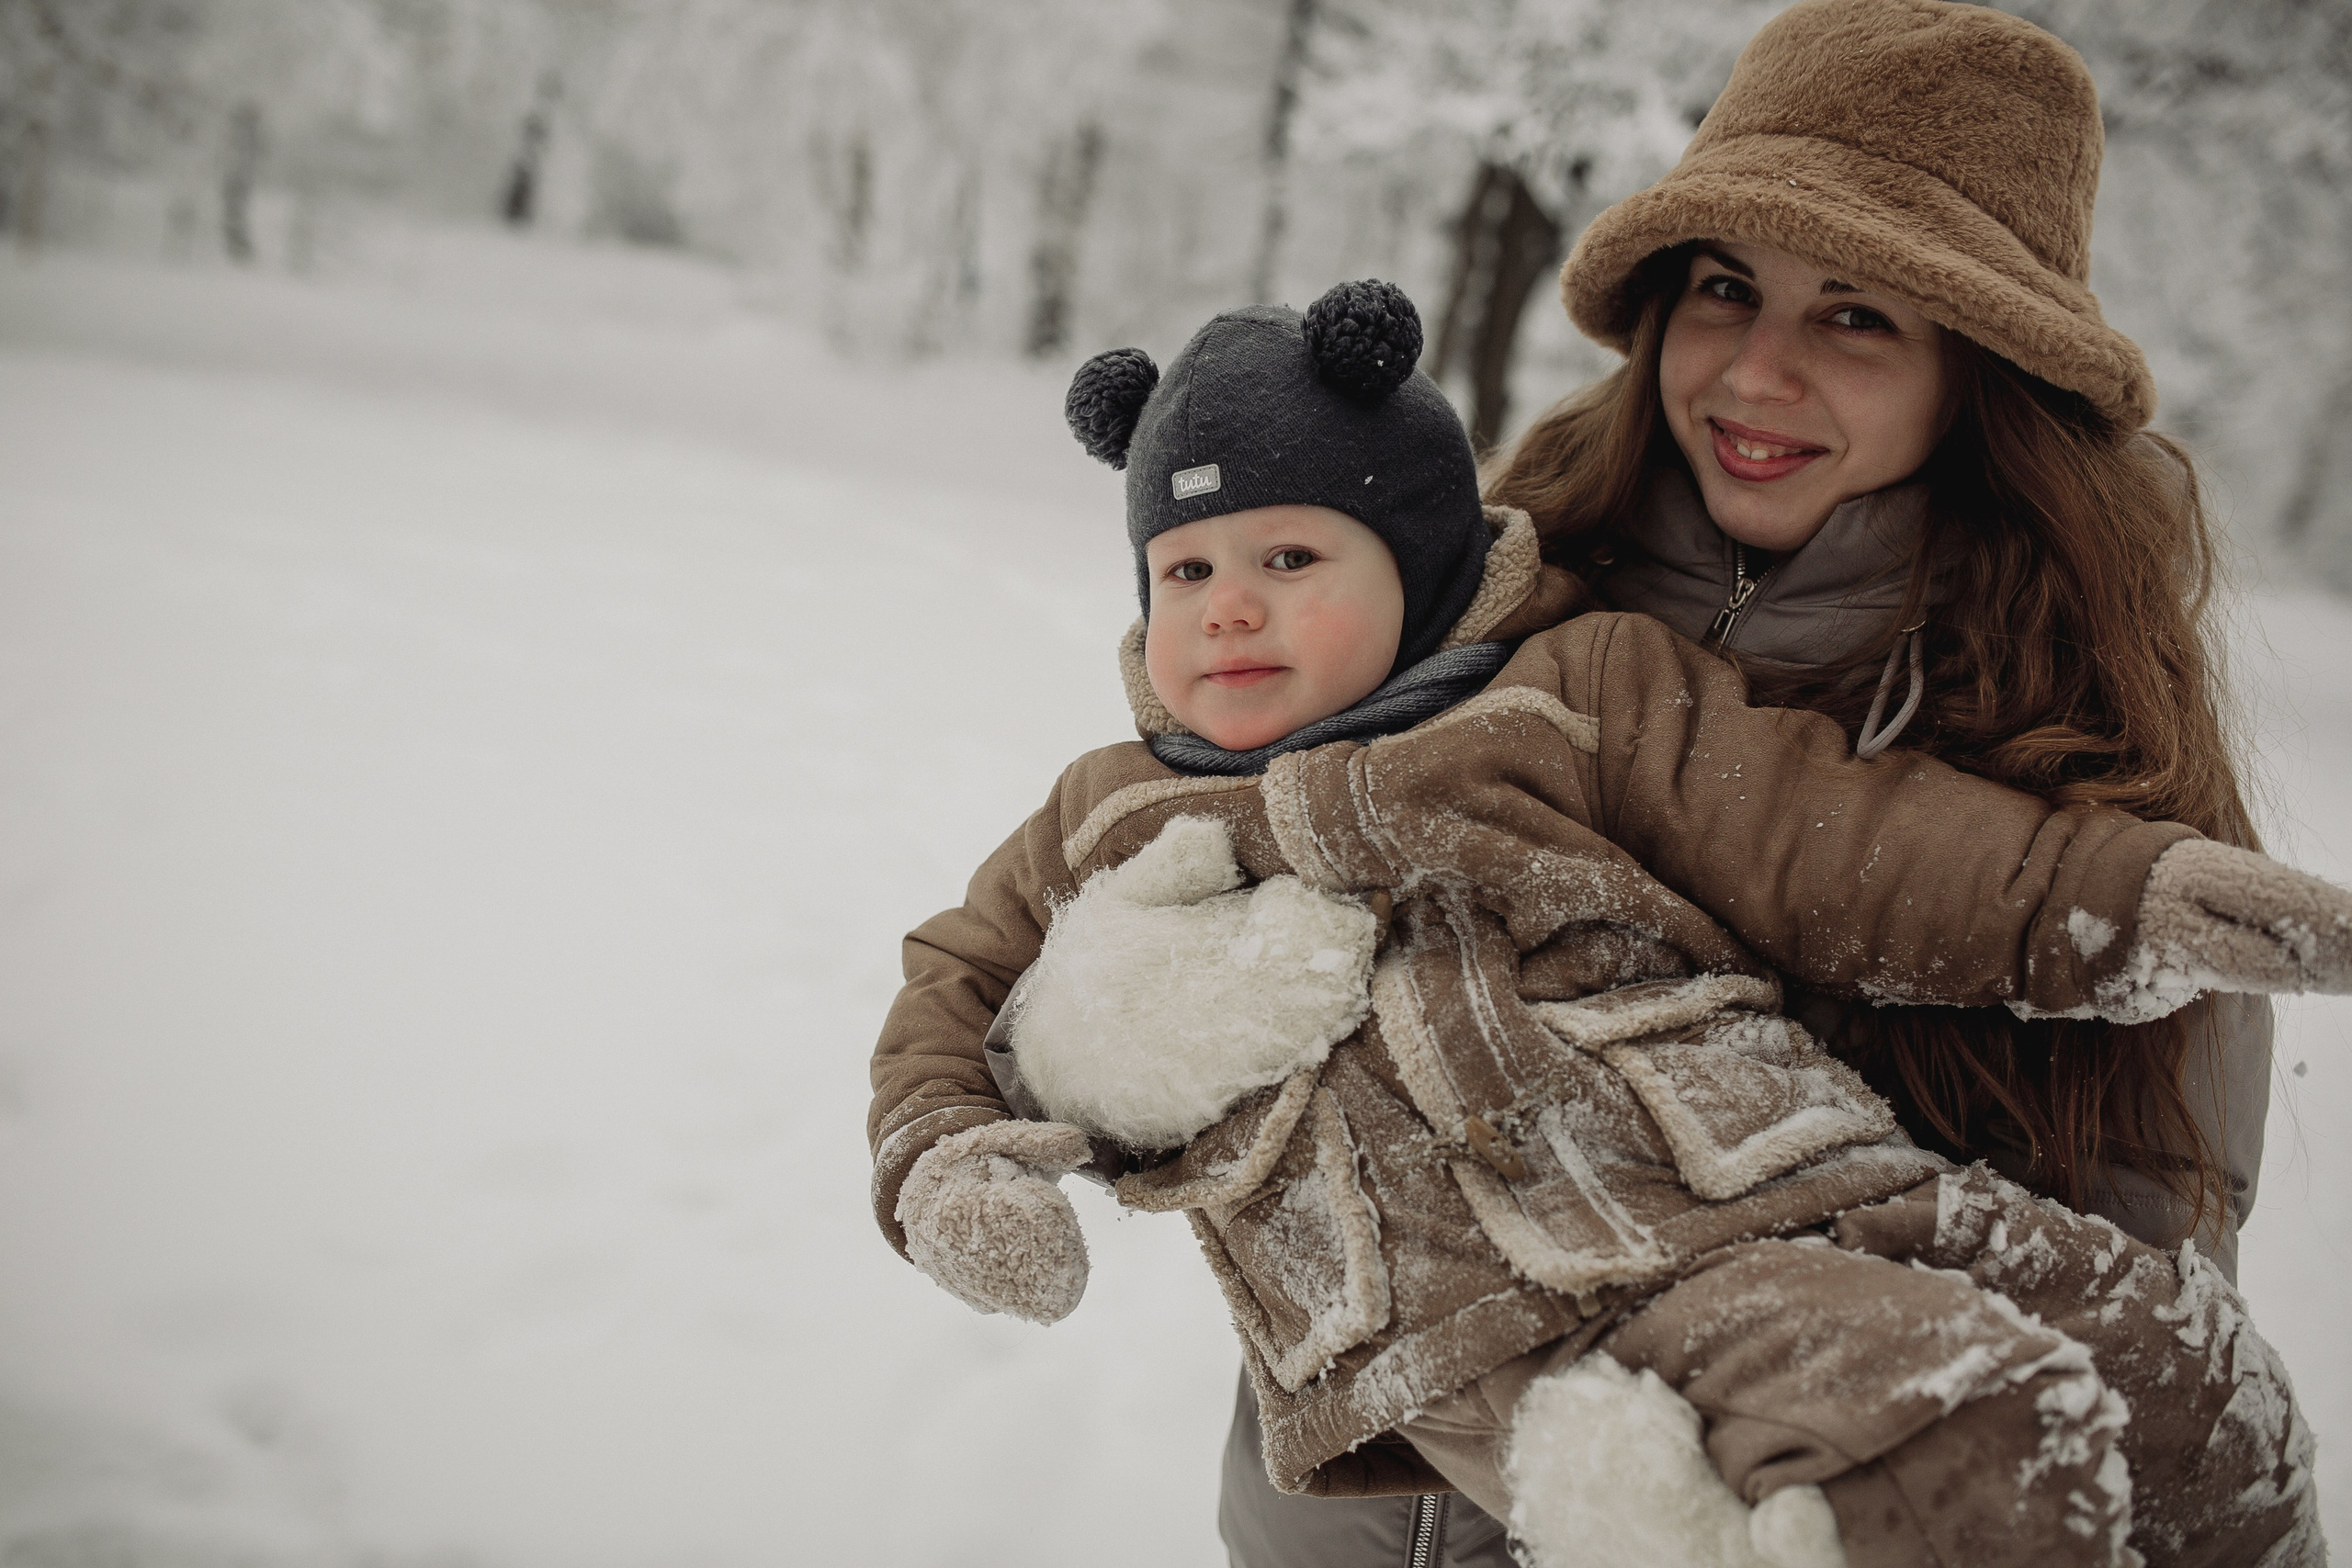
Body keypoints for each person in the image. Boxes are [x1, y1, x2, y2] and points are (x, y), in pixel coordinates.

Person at [866, 269, 2331, 1568]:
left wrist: (2131, 898)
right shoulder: (1113, 810)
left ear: (1421, 568)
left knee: (2187, 1383)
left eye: (1289, 561)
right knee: (1942, 1418)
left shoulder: (1576, 695)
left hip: (1764, 1183)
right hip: (1480, 1327)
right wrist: (946, 1166)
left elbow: (1849, 842)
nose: (1227, 612)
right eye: (1184, 573)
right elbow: (957, 978)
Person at [1214, 1, 2294, 1562]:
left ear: (1981, 371)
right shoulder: (1488, 610)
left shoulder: (2098, 804)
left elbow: (2132, 1362)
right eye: (1729, 288)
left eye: (1858, 316)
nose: (1756, 372)